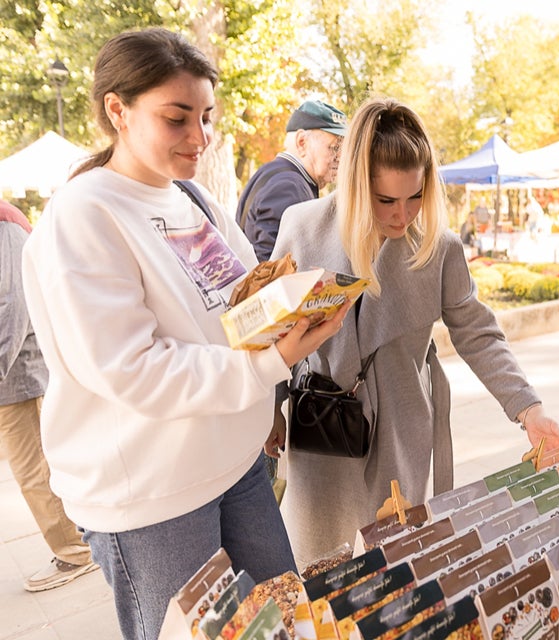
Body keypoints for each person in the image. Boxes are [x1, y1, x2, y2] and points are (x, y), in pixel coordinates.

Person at [20, 28, 347, 640]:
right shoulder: (84, 214)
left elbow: (240, 303)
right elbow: (133, 369)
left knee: (290, 626)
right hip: (154, 496)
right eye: (177, 119)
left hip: (237, 466)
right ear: (117, 110)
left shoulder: (193, 196)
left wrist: (294, 304)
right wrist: (272, 361)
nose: (200, 138)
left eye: (205, 116)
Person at [270, 97, 559, 564]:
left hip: (399, 436)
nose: (402, 214)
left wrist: (529, 410)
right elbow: (274, 330)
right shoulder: (301, 226)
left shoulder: (439, 248)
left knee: (389, 569)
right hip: (320, 431)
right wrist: (272, 408)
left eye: (416, 196)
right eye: (386, 199)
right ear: (354, 184)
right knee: (317, 568)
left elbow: (478, 333)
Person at [1, 200, 98, 592]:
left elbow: (12, 304)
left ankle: (75, 550)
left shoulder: (4, 220)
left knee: (35, 469)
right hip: (13, 370)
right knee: (37, 466)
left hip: (16, 372)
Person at [236, 99, 346, 262]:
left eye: (343, 149)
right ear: (302, 142)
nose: (340, 157)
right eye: (334, 148)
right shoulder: (288, 186)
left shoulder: (276, 174)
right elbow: (271, 266)